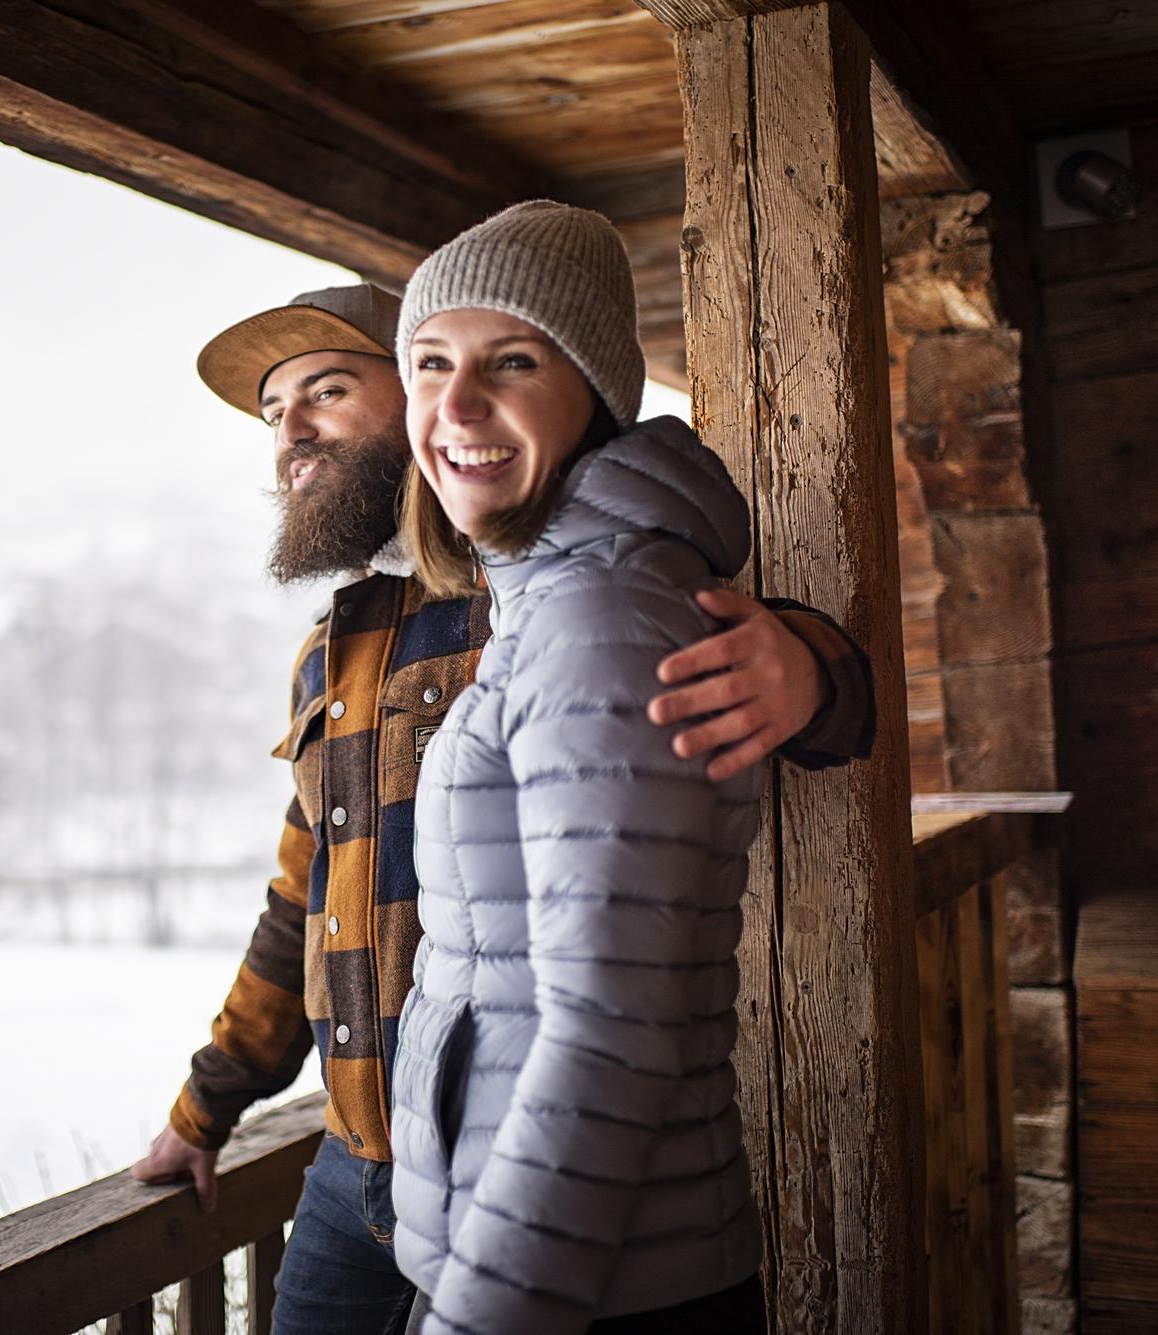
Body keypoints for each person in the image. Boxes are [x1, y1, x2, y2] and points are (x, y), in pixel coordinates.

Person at [130, 262, 874, 1334]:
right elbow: (304, 901)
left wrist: (807, 665)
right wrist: (204, 1111)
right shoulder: (328, 652)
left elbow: (707, 640)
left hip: (519, 1163)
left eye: (326, 390)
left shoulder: (539, 579)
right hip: (352, 1170)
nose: (292, 426)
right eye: (273, 409)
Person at [388, 200, 772, 1334]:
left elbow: (608, 1032)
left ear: (594, 395)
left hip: (579, 1288)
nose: (454, 406)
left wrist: (479, 1317)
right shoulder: (553, 594)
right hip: (576, 1261)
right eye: (427, 363)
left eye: (510, 361)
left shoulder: (599, 617)